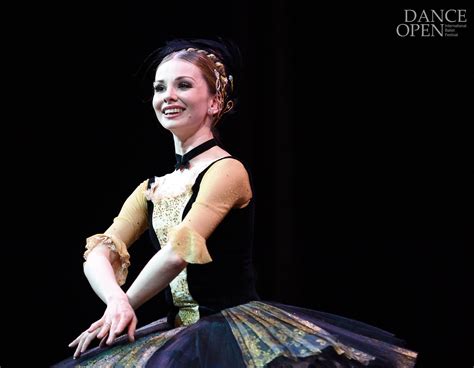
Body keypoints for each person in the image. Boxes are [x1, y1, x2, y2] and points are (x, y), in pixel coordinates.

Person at [53, 38, 418, 367]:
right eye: (160, 87)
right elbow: (100, 251)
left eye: (183, 85)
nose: (168, 96)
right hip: (178, 329)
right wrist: (116, 302)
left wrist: (125, 303)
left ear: (214, 102)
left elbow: (179, 250)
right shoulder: (152, 188)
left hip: (228, 328)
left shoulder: (226, 170)